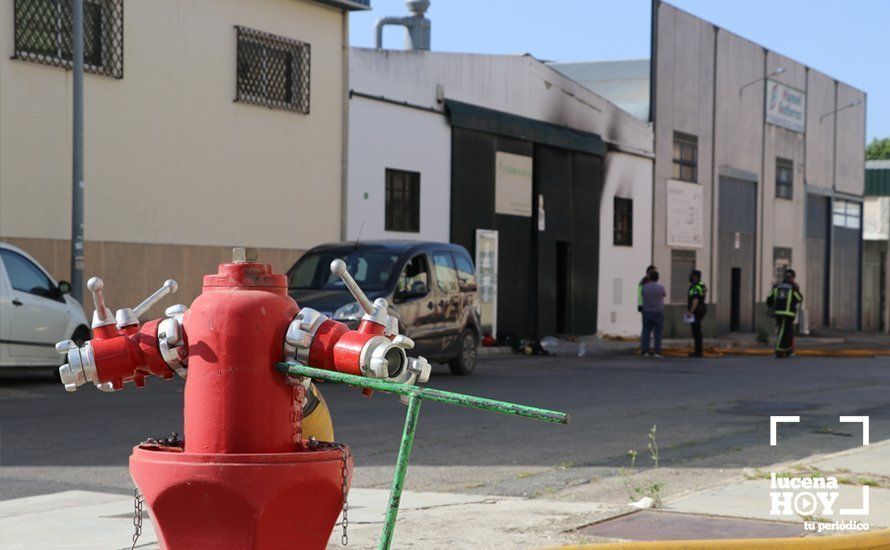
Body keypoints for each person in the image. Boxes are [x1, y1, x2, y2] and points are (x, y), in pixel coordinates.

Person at [766, 269, 804, 358]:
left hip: (778, 312)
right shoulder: (792, 288)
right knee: (784, 331)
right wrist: (797, 289)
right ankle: (779, 349)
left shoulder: (777, 286)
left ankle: (787, 350)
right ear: (793, 278)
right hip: (788, 313)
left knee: (787, 332)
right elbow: (799, 299)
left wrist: (770, 308)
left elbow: (769, 298)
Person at [640, 271, 666, 357]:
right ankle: (657, 352)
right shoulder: (661, 287)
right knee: (657, 333)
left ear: (650, 278)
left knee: (646, 332)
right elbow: (664, 295)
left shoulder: (644, 287)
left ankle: (645, 351)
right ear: (657, 278)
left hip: (647, 312)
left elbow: (642, 295)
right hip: (658, 312)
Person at [687, 270, 707, 357]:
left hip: (696, 311)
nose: (690, 277)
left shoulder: (696, 287)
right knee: (697, 331)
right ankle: (698, 350)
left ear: (695, 277)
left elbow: (695, 300)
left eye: (691, 275)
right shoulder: (702, 285)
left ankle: (698, 351)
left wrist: (690, 311)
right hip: (701, 309)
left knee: (696, 331)